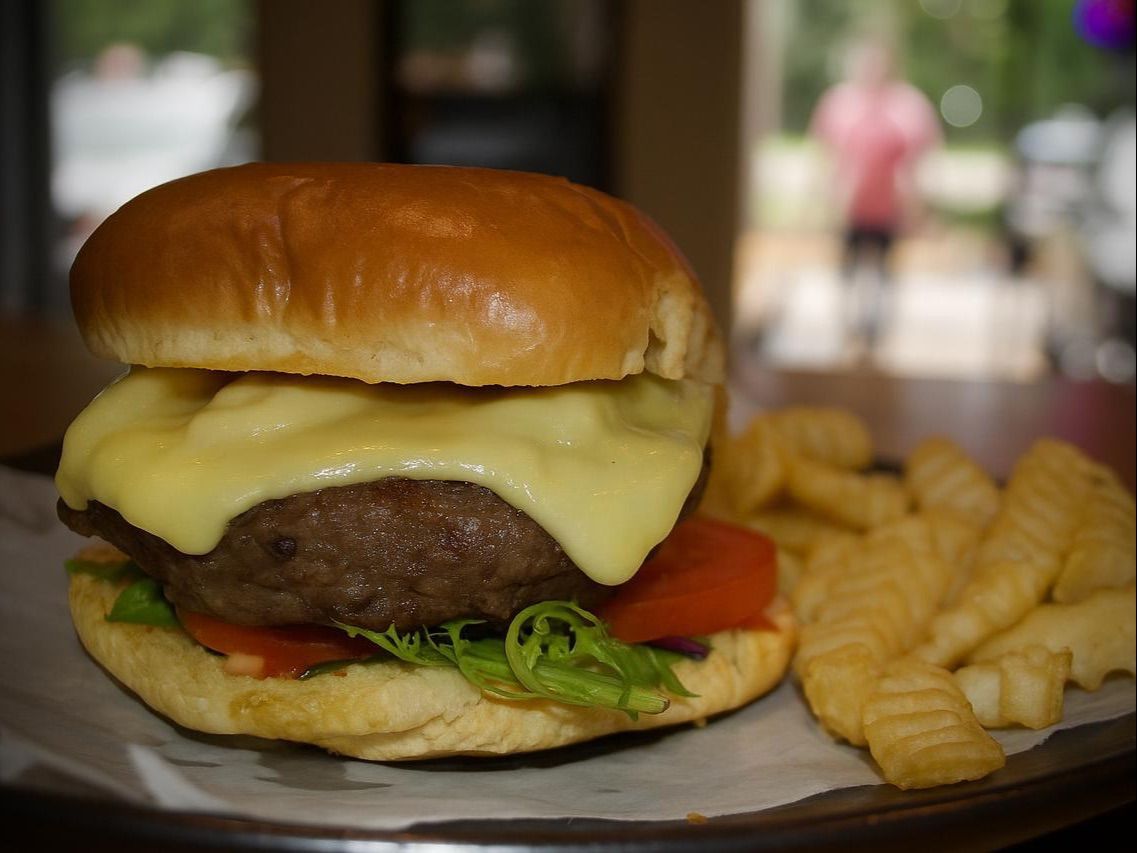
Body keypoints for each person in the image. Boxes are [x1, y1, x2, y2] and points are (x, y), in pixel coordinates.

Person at [809, 39, 940, 349]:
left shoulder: (907, 105)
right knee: (849, 269)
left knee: (883, 270)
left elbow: (920, 158)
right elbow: (824, 153)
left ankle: (875, 332)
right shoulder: (840, 102)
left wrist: (919, 204)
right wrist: (823, 197)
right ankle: (849, 328)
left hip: (889, 207)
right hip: (850, 206)